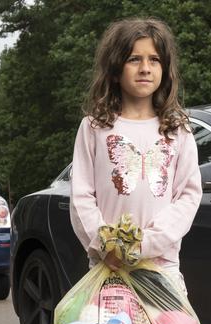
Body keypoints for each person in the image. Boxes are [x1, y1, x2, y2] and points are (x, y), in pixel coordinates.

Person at [69, 18, 200, 290]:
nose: (145, 68)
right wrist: (106, 245)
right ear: (116, 69)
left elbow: (188, 196)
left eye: (154, 60)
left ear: (164, 68)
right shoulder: (95, 128)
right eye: (133, 59)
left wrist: (146, 243)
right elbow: (81, 196)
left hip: (162, 269)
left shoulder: (178, 129)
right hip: (108, 269)